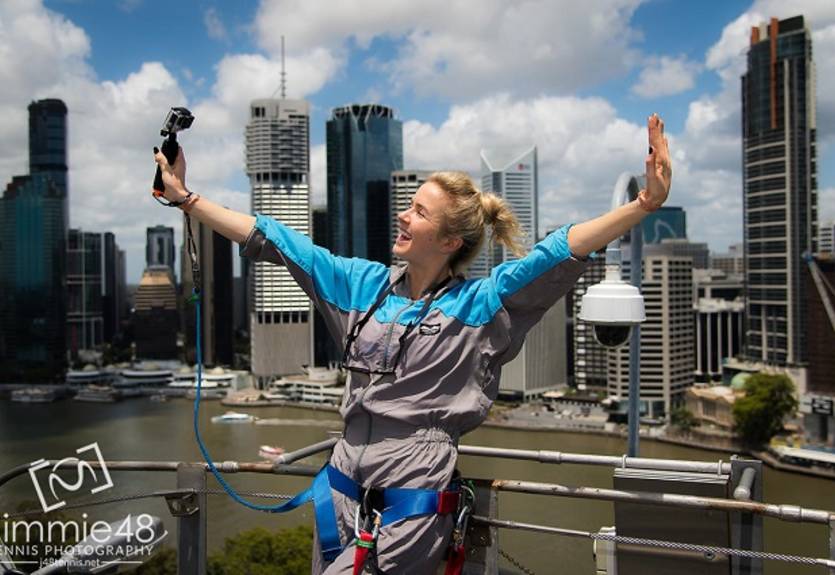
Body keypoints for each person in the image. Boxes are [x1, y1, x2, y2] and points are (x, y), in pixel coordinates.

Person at [153, 114, 671, 574]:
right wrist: (185, 198)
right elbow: (276, 239)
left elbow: (555, 252)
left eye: (419, 212)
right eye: (408, 206)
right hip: (339, 490)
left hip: (413, 498)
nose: (402, 216)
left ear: (450, 242)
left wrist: (644, 204)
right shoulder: (361, 286)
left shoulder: (482, 304)